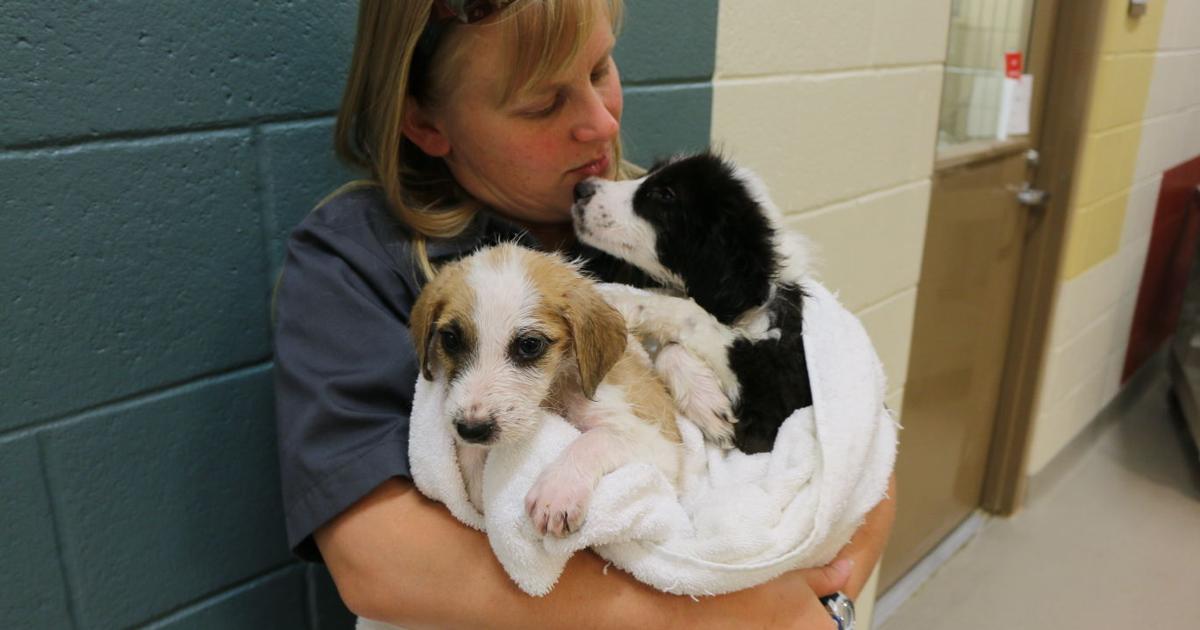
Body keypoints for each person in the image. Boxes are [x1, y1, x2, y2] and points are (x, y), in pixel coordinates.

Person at [272, 1, 897, 627]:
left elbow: (847, 429)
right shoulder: (355, 261)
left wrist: (830, 602)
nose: (599, 124)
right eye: (542, 103)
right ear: (426, 123)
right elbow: (377, 561)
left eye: (600, 69)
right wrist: (713, 620)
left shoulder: (660, 223)